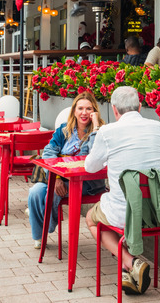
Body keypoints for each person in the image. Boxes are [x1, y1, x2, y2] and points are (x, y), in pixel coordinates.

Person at [84, 86, 160, 295]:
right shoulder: (159, 127)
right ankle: (131, 274)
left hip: (127, 214)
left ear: (114, 110)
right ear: (140, 106)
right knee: (118, 205)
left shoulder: (107, 132)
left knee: (91, 218)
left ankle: (130, 262)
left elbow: (90, 167)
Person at [27, 92, 106, 249]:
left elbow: (94, 154)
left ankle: (46, 226)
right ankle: (38, 237)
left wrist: (96, 125)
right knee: (35, 191)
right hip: (59, 178)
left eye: (89, 109)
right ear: (74, 111)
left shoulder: (101, 132)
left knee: (55, 193)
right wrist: (56, 178)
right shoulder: (64, 130)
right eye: (80, 108)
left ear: (94, 111)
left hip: (87, 183)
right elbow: (49, 152)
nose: (84, 113)